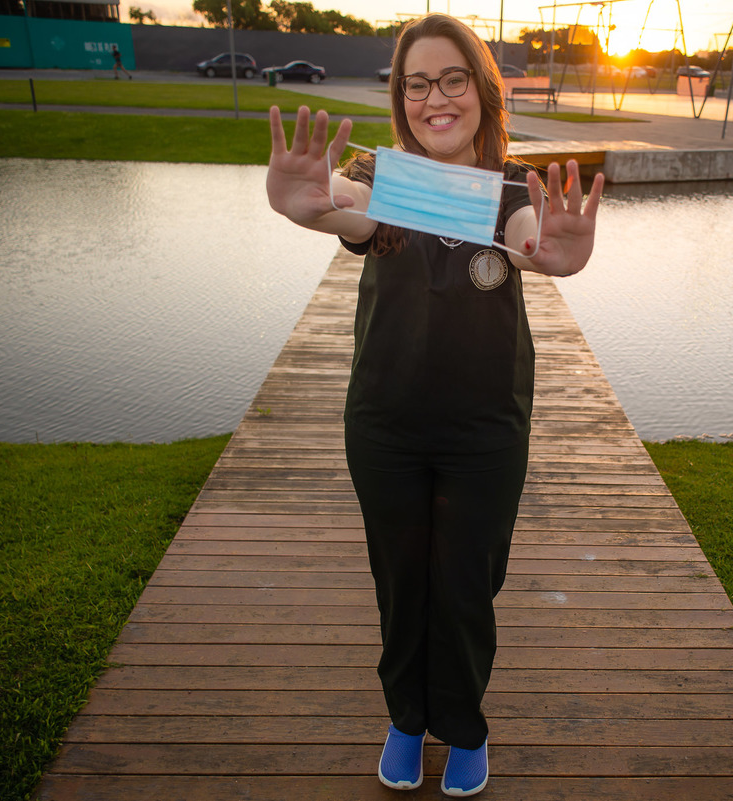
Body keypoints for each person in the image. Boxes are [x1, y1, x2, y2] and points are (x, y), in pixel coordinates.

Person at [266, 12, 603, 797]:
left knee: (464, 589)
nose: (434, 98)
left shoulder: (514, 188)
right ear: (401, 97)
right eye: (417, 83)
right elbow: (346, 202)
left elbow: (531, 235)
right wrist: (304, 203)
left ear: (483, 91)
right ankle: (405, 719)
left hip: (484, 430)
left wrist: (557, 251)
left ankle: (466, 724)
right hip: (384, 425)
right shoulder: (385, 179)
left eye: (453, 78)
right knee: (400, 582)